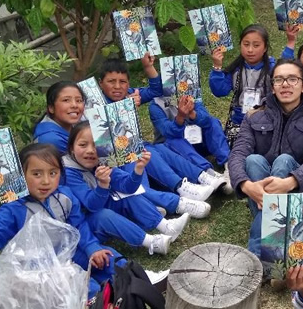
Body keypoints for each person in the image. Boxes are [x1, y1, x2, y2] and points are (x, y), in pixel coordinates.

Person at [0, 143, 125, 296]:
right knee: (86, 286)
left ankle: (128, 280)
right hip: (40, 267)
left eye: (53, 173)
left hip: (69, 252)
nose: (46, 181)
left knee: (108, 258)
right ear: (20, 177)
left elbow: (78, 225)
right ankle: (99, 299)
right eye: (36, 174)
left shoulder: (65, 196)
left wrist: (92, 248)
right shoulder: (12, 208)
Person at [229, 59, 303, 256]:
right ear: (272, 86)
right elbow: (237, 154)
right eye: (279, 80)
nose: (285, 84)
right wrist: (246, 185)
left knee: (284, 160)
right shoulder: (253, 116)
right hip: (261, 192)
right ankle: (278, 246)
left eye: (292, 79)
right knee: (252, 160)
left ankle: (257, 254)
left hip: (302, 192)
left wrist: (289, 182)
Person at [63, 122, 212, 250]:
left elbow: (127, 187)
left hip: (103, 204)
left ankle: (167, 227)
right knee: (104, 215)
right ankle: (152, 243)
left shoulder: (102, 161)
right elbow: (91, 206)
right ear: (71, 148)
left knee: (129, 197)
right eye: (83, 145)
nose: (90, 150)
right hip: (88, 223)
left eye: (96, 145)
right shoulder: (69, 173)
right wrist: (103, 185)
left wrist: (138, 169)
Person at [97, 56, 225, 199]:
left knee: (155, 148)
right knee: (150, 150)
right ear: (100, 83)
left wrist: (148, 67)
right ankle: (182, 187)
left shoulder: (129, 94)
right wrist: (123, 108)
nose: (117, 86)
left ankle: (203, 176)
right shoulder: (95, 105)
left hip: (189, 143)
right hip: (118, 159)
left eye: (122, 82)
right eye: (111, 81)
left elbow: (156, 89)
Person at [146, 55, 233, 194]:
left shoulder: (192, 95)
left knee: (213, 122)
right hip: (177, 150)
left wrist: (192, 114)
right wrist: (180, 117)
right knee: (173, 140)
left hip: (198, 142)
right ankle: (209, 174)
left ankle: (230, 165)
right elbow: (168, 133)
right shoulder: (155, 106)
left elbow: (205, 119)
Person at [210, 24, 288, 147]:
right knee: (238, 145)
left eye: (256, 45)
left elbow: (287, 70)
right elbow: (220, 91)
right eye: (246, 44)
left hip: (266, 122)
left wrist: (291, 42)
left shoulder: (272, 69)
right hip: (239, 122)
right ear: (240, 45)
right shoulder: (236, 69)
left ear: (265, 48)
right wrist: (217, 67)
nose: (250, 50)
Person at [33, 81, 85, 153]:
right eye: (66, 100)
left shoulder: (74, 127)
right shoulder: (51, 139)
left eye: (79, 100)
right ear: (51, 108)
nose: (74, 105)